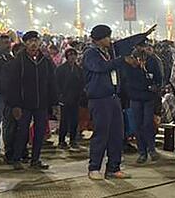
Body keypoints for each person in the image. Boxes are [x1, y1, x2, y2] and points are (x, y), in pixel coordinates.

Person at [83, 24, 155, 180]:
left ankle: (113, 168)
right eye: (107, 37)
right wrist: (122, 60)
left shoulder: (110, 51)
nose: (110, 39)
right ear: (99, 39)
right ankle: (94, 167)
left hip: (114, 97)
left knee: (117, 134)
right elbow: (100, 67)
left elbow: (125, 43)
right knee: (102, 133)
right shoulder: (90, 54)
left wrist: (143, 35)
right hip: (99, 98)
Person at [2, 31, 56, 171]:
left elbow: (52, 82)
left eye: (35, 41)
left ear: (39, 43)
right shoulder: (18, 62)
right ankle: (17, 158)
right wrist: (15, 105)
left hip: (41, 104)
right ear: (25, 43)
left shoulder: (45, 61)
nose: (33, 44)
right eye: (30, 41)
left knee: (39, 133)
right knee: (22, 132)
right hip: (23, 104)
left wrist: (53, 102)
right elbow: (13, 85)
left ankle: (35, 159)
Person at [123, 39, 162, 164]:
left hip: (148, 97)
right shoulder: (130, 62)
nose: (141, 49)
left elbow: (159, 78)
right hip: (135, 97)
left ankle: (151, 149)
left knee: (147, 125)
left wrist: (155, 87)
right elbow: (126, 80)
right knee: (137, 126)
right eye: (139, 46)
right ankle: (142, 152)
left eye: (143, 46)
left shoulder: (152, 60)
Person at [55, 47, 84, 150]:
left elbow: (82, 83)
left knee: (74, 120)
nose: (72, 57)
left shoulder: (79, 70)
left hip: (75, 98)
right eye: (70, 55)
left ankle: (73, 140)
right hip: (65, 98)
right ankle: (61, 141)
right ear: (67, 57)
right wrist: (60, 96)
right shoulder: (61, 69)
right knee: (64, 120)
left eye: (74, 54)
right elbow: (57, 83)